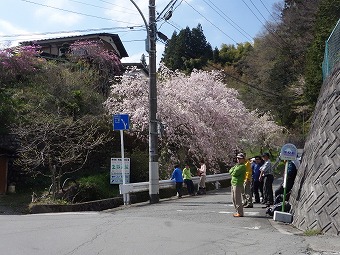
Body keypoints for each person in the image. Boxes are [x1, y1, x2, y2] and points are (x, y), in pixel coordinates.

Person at [229, 153, 247, 217]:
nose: (238, 160)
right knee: (233, 198)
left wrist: (233, 171)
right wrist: (233, 170)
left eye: (240, 158)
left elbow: (235, 173)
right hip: (233, 183)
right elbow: (230, 171)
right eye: (237, 158)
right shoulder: (237, 165)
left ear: (243, 159)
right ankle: (237, 211)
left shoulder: (243, 166)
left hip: (238, 183)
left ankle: (240, 212)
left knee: (237, 199)